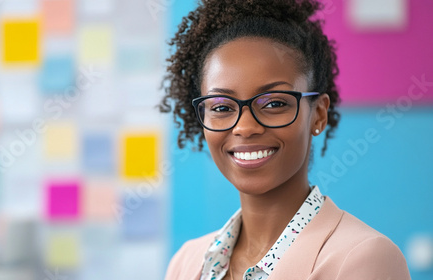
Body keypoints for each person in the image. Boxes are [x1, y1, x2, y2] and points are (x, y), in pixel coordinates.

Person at [158, 0, 411, 279]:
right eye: (221, 107)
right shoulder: (186, 263)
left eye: (274, 104)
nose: (245, 127)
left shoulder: (364, 259)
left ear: (319, 114)